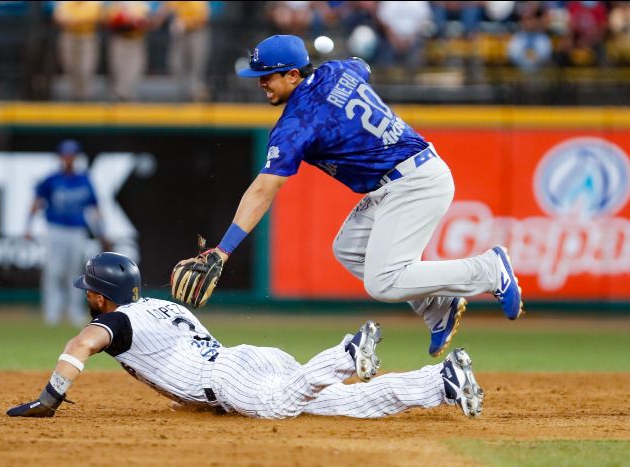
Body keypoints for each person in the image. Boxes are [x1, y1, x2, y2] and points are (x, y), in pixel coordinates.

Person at [174, 34, 523, 358]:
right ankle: (438, 306)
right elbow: (361, 65)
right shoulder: (337, 70)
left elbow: (263, 189)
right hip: (399, 179)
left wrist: (223, 250)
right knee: (350, 249)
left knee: (384, 283)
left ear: (293, 75)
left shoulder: (297, 123)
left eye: (268, 76)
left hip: (414, 182)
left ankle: (489, 270)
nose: (261, 83)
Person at [6, 252, 485, 420]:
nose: (87, 297)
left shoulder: (117, 323)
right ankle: (440, 382)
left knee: (278, 407)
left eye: (89, 291)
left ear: (100, 295)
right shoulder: (164, 307)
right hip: (249, 359)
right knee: (346, 403)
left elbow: (79, 346)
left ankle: (347, 352)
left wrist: (49, 399)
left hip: (226, 378)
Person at [25, 139, 110, 327]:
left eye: (71, 155)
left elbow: (95, 207)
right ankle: (52, 313)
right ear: (60, 157)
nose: (68, 158)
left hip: (76, 230)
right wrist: (28, 225)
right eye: (65, 155)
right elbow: (37, 201)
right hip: (55, 229)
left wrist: (102, 231)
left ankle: (75, 312)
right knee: (53, 270)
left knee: (75, 271)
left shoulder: (84, 179)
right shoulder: (52, 179)